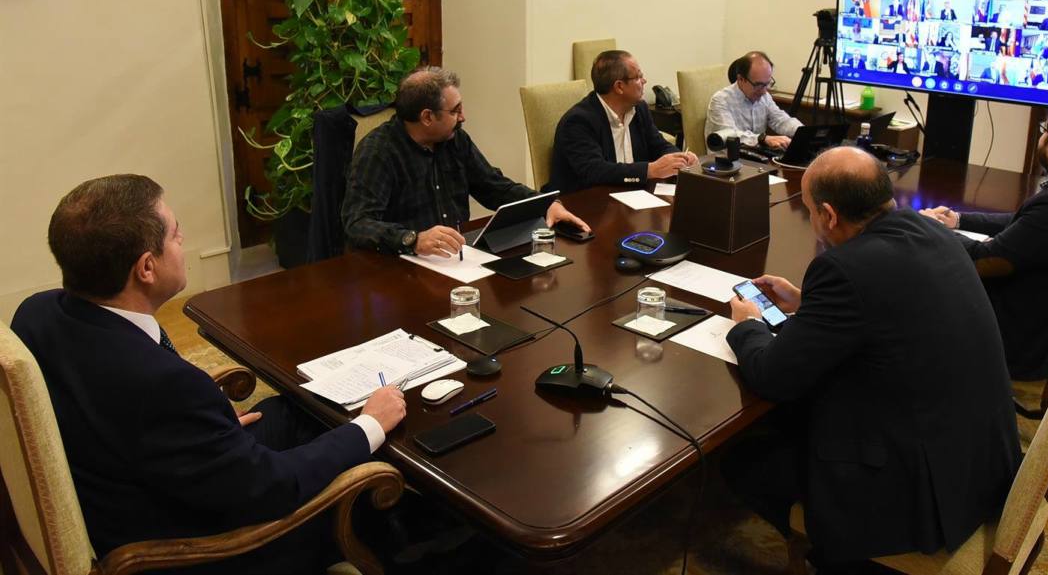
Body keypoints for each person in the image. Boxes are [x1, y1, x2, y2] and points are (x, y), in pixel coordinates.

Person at [11, 175, 411, 573]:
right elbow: (272, 489)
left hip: (144, 472)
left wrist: (195, 435)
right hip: (201, 544)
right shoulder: (162, 384)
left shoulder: (37, 313)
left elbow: (112, 411)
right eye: (176, 235)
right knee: (378, 489)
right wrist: (369, 426)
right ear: (146, 267)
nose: (183, 242)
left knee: (298, 412)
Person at [723, 147, 1019, 568]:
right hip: (978, 460)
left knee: (744, 459)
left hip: (917, 489)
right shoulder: (931, 231)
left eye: (809, 212)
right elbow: (893, 305)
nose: (811, 221)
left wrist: (746, 325)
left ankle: (830, 559)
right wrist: (808, 302)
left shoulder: (844, 269)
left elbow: (771, 376)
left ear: (828, 214)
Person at [920, 100, 1048, 379]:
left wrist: (932, 229)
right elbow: (1022, 222)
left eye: (1044, 131)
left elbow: (984, 261)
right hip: (1038, 312)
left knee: (917, 274)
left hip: (1015, 339)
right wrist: (958, 220)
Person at [343, 66, 589, 257]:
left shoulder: (455, 140)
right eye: (455, 111)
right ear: (427, 117)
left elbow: (494, 186)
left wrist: (545, 204)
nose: (464, 117)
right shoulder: (378, 151)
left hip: (456, 259)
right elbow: (358, 224)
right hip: (400, 266)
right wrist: (413, 239)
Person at [547, 50, 696, 193]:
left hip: (635, 197)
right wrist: (650, 170)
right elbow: (594, 171)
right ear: (619, 87)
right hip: (587, 202)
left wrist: (680, 159)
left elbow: (658, 145)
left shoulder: (639, 109)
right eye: (638, 77)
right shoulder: (578, 121)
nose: (644, 81)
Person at [705, 51, 803, 150]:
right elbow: (730, 135)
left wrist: (803, 132)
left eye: (767, 84)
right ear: (741, 79)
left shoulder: (764, 97)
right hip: (727, 160)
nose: (764, 91)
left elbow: (781, 120)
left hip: (755, 157)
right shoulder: (721, 101)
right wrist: (763, 139)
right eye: (759, 85)